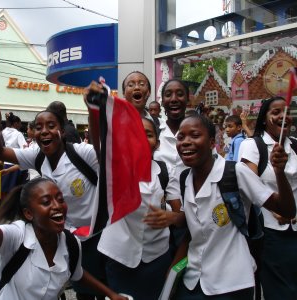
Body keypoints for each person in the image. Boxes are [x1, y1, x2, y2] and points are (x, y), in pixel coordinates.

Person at [0, 159, 128, 300]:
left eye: (60, 199)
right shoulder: (18, 235)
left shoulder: (71, 243)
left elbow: (77, 273)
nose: (57, 206)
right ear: (29, 214)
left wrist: (111, 294)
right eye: (46, 202)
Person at [0, 100, 106, 300]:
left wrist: (93, 111)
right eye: (38, 127)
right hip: (67, 240)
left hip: (98, 238)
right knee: (82, 292)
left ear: (63, 131)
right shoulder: (36, 156)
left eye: (51, 126)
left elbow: (103, 150)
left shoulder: (81, 153)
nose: (44, 131)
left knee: (102, 289)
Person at [173, 114, 295, 299]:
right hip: (193, 281)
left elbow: (286, 209)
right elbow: (194, 231)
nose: (186, 142)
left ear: (212, 142)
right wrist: (173, 270)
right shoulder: (184, 179)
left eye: (195, 135)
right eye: (181, 137)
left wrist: (279, 173)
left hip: (232, 284)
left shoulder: (235, 172)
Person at [97, 117, 184, 300]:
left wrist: (172, 218)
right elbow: (100, 147)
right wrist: (93, 112)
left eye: (148, 135)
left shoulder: (167, 172)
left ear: (157, 143)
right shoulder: (115, 167)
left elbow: (182, 214)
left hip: (157, 257)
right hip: (120, 258)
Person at [238, 96, 297, 300]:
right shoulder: (253, 146)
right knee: (280, 292)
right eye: (276, 112)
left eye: (286, 112)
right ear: (265, 118)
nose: (283, 116)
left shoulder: (295, 146)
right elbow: (249, 187)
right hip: (271, 233)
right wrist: (277, 209)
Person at [154, 79, 189, 179]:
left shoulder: (200, 133)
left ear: (188, 99)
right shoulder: (155, 134)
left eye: (180, 94)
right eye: (168, 95)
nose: (174, 99)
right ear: (163, 101)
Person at [0, 112, 27, 199]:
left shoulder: (2, 132)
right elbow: (24, 149)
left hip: (5, 163)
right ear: (15, 123)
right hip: (16, 164)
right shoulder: (18, 134)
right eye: (19, 123)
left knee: (4, 190)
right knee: (16, 191)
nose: (20, 125)